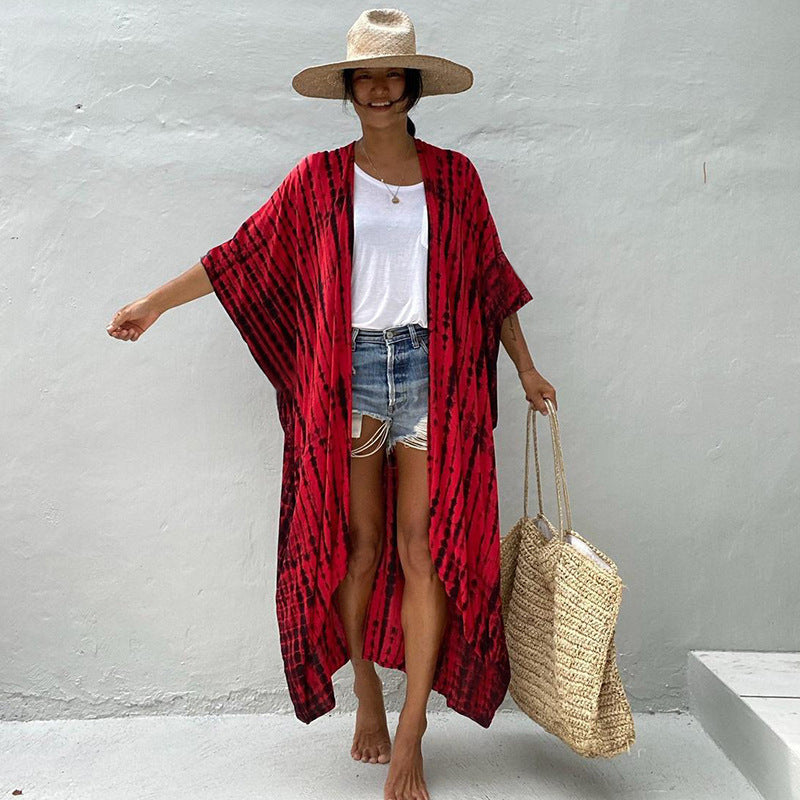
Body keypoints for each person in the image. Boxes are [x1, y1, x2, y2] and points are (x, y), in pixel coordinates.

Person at [107, 9, 556, 800]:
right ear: (349, 90)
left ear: (411, 87)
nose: (380, 89)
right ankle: (367, 688)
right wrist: (153, 303)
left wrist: (525, 368)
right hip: (351, 383)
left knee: (424, 549)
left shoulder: (454, 178)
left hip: (432, 378)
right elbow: (237, 257)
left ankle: (413, 728)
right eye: (366, 77)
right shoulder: (316, 180)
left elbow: (491, 279)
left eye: (393, 76)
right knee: (359, 544)